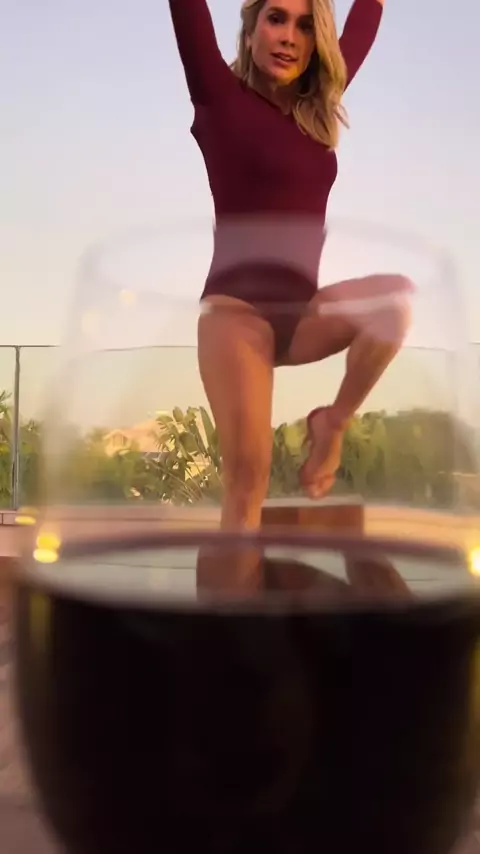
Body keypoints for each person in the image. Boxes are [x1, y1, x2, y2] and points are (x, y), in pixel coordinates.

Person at [168, 0, 412, 541]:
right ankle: (235, 591)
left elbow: (367, 15)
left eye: (305, 26)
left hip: (302, 313)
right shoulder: (218, 96)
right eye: (276, 18)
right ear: (251, 29)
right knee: (249, 481)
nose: (289, 37)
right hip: (237, 316)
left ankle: (333, 422)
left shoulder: (316, 110)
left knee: (393, 310)